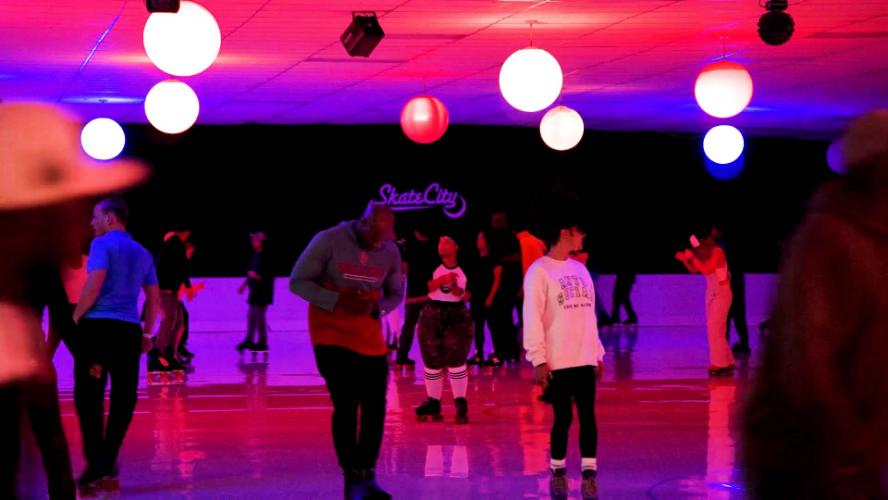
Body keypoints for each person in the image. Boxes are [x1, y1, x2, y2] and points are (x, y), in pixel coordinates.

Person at [741, 110, 888, 499]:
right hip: (803, 458)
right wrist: (848, 447)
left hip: (849, 453)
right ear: (876, 170)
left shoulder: (873, 240)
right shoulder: (828, 239)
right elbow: (808, 360)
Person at [289, 205, 403, 499]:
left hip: (369, 339)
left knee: (375, 408)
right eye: (374, 238)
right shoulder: (328, 240)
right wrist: (338, 300)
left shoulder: (390, 250)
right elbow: (297, 282)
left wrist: (377, 308)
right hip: (331, 337)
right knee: (347, 403)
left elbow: (395, 294)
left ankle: (368, 475)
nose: (377, 246)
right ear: (363, 223)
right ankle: (352, 478)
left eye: (383, 240)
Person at [73, 196, 160, 493]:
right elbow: (154, 299)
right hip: (128, 334)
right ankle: (107, 461)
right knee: (124, 396)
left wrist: (75, 316)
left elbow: (94, 283)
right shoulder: (143, 252)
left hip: (98, 331)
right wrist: (147, 335)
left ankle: (96, 464)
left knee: (89, 396)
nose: (91, 223)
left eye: (95, 216)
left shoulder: (101, 245)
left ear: (109, 218)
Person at [524, 191, 605, 500]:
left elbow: (589, 316)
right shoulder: (539, 271)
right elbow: (532, 317)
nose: (584, 235)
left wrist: (597, 353)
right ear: (565, 232)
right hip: (558, 361)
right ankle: (558, 471)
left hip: (584, 358)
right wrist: (538, 359)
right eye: (580, 230)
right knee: (563, 418)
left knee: (588, 417)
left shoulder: (580, 270)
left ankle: (589, 473)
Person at [415, 235, 473, 424]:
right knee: (432, 359)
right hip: (433, 311)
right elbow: (422, 287)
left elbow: (471, 293)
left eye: (447, 241)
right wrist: (441, 280)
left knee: (456, 358)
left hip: (457, 314)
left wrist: (459, 292)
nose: (442, 245)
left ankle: (460, 402)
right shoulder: (430, 264)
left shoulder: (467, 266)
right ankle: (433, 402)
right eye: (440, 242)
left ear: (457, 246)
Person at [675, 233, 735, 375]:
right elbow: (695, 269)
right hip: (712, 293)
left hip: (722, 293)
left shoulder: (718, 251)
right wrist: (685, 261)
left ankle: (720, 364)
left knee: (714, 329)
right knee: (717, 329)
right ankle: (728, 360)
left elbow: (707, 269)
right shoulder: (706, 253)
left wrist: (692, 258)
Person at [237, 232, 274, 354]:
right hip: (254, 291)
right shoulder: (255, 255)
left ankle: (262, 342)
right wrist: (244, 285)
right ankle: (249, 340)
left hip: (262, 292)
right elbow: (251, 273)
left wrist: (256, 276)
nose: (252, 242)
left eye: (255, 240)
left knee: (259, 317)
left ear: (261, 242)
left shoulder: (267, 256)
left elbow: (267, 276)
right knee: (251, 316)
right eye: (252, 240)